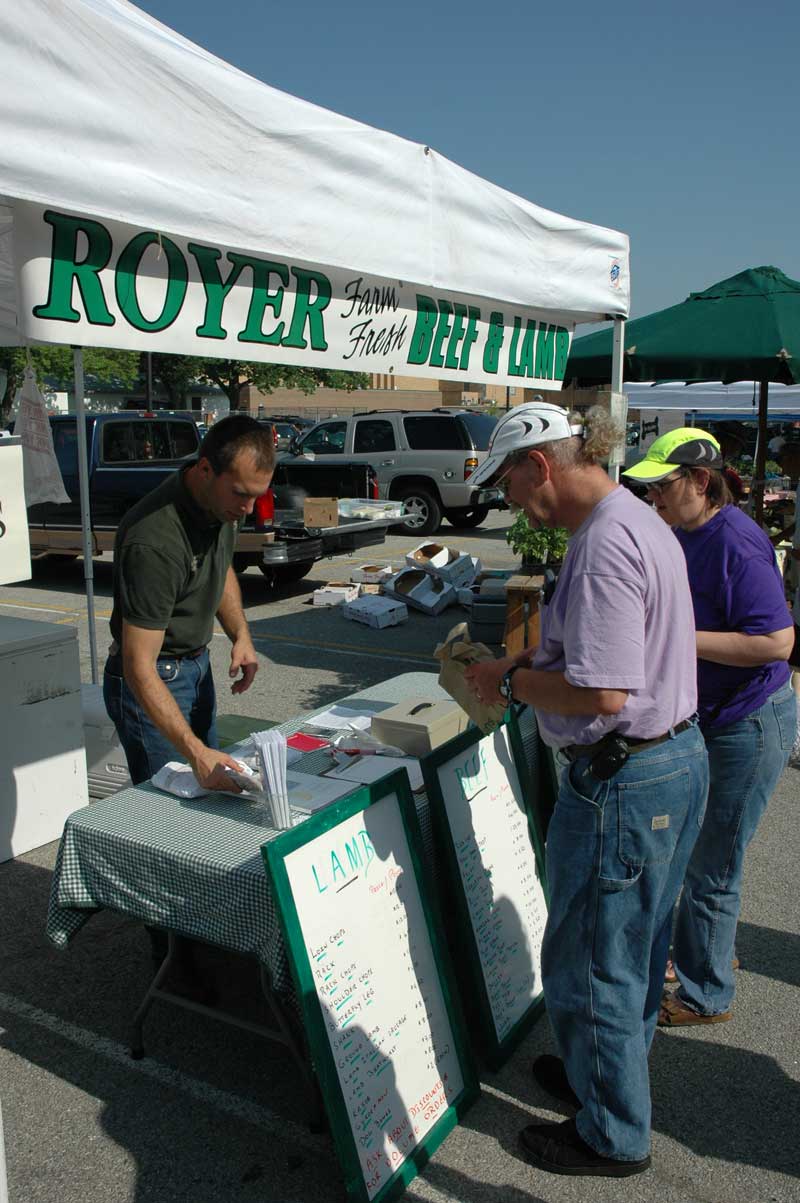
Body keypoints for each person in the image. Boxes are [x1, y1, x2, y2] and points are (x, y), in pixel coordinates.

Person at [464, 402, 707, 1179]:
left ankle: (612, 1132)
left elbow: (602, 692)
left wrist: (519, 683)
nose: (509, 500)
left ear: (541, 464)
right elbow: (598, 645)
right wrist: (519, 663)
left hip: (627, 776)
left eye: (508, 482)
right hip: (667, 760)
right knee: (629, 947)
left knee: (597, 958)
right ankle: (601, 1076)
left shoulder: (603, 544)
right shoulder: (630, 520)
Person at [623, 428, 796, 1027]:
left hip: (750, 721)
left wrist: (676, 638)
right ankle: (709, 953)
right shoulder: (688, 529)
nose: (654, 500)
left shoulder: (737, 543)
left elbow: (776, 642)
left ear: (700, 481)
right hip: (718, 715)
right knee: (700, 851)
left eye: (662, 487)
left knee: (712, 864)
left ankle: (705, 993)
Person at [104, 414, 275, 791]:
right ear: (204, 469)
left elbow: (220, 564)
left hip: (195, 667)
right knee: (170, 807)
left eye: (257, 496)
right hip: (155, 676)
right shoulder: (154, 541)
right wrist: (196, 754)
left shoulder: (222, 504)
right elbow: (138, 667)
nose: (248, 508)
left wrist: (240, 636)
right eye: (242, 494)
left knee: (210, 791)